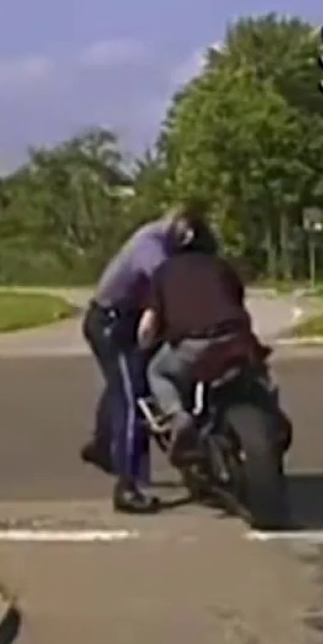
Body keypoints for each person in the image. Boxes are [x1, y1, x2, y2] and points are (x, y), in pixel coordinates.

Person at [80, 204, 205, 514]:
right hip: (111, 323)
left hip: (130, 318)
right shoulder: (151, 245)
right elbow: (167, 283)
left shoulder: (167, 245)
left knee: (130, 382)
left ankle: (105, 445)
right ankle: (127, 486)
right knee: (130, 395)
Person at [137, 221, 261, 462]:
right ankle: (271, 411)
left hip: (193, 344)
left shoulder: (164, 271)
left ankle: (176, 416)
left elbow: (148, 325)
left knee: (158, 372)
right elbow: (236, 301)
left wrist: (143, 346)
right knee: (257, 370)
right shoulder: (223, 267)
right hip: (236, 338)